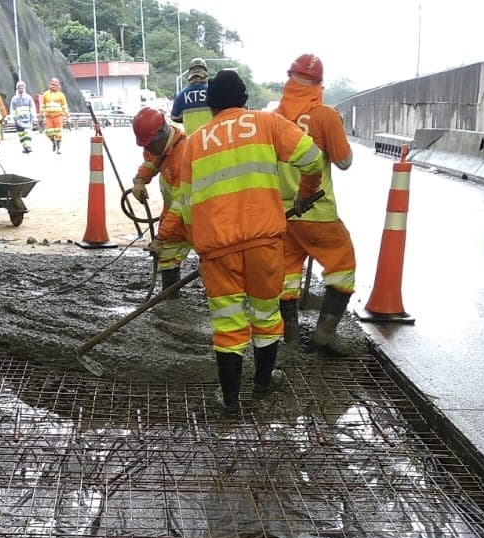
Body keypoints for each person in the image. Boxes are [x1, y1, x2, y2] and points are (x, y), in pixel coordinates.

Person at [169, 69, 323, 415]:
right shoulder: (267, 123)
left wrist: (203, 246)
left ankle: (230, 400)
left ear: (210, 107)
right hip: (264, 244)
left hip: (217, 252)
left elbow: (186, 205)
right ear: (244, 100)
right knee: (266, 316)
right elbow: (312, 159)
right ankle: (264, 383)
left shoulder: (195, 142)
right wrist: (305, 193)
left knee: (228, 325)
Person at [274, 53, 356, 355]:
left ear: (289, 78)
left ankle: (291, 339)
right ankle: (324, 334)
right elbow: (344, 162)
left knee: (286, 274)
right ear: (319, 83)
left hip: (283, 214)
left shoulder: (274, 117)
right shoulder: (325, 115)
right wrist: (337, 129)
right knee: (343, 266)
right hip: (317, 211)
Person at [130, 107, 191, 298]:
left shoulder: (183, 156)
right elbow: (151, 161)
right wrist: (140, 180)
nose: (146, 149)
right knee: (167, 256)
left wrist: (160, 237)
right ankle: (171, 300)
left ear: (161, 135)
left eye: (149, 144)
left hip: (196, 219)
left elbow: (180, 206)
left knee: (213, 263)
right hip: (176, 214)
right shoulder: (160, 146)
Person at [170, 58, 212, 133]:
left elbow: (174, 117)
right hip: (212, 138)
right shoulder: (213, 91)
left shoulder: (181, 94)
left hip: (192, 140)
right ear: (204, 74)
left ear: (190, 75)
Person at [40, 77, 69, 153]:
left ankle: (58, 148)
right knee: (49, 132)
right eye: (52, 84)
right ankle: (53, 142)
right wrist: (41, 114)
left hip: (58, 116)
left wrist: (67, 115)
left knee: (58, 132)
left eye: (55, 84)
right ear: (50, 84)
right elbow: (43, 106)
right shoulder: (46, 94)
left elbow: (64, 106)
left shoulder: (61, 95)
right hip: (48, 116)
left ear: (58, 85)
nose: (53, 86)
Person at [10, 80, 35, 153]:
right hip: (19, 120)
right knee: (21, 135)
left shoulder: (28, 97)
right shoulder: (14, 99)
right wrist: (14, 118)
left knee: (28, 133)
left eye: (22, 87)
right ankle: (25, 146)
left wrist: (33, 116)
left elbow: (32, 107)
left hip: (28, 119)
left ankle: (28, 146)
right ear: (17, 89)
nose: (21, 89)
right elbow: (13, 109)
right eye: (19, 87)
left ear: (24, 88)